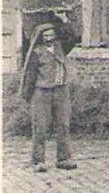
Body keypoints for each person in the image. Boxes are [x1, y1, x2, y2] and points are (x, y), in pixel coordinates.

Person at [18, 16, 79, 172]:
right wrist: (26, 95)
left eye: (51, 35)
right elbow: (30, 75)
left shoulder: (61, 47)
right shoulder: (36, 53)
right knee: (40, 127)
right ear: (41, 38)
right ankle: (38, 160)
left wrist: (65, 20)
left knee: (64, 125)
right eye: (46, 36)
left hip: (61, 90)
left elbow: (74, 36)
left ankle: (64, 158)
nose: (49, 38)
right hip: (42, 92)